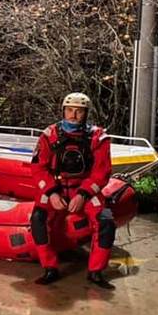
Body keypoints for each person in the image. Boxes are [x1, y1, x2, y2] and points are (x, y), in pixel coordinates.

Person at [31, 92, 116, 289]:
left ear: (86, 114)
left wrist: (84, 194)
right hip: (57, 188)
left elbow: (102, 171)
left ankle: (96, 271)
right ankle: (50, 267)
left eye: (79, 112)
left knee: (106, 220)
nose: (73, 115)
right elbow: (38, 168)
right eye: (69, 110)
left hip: (84, 188)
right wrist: (51, 192)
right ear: (63, 111)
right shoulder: (49, 135)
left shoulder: (98, 138)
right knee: (38, 218)